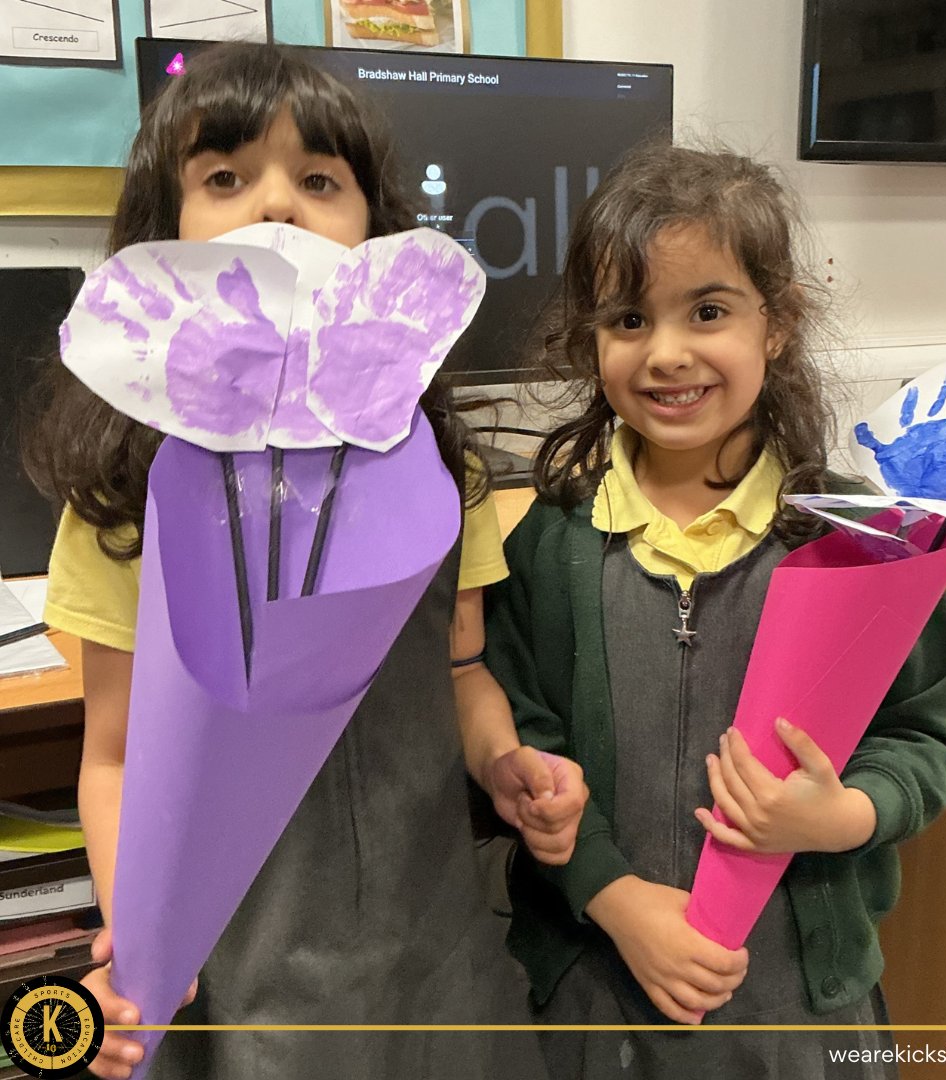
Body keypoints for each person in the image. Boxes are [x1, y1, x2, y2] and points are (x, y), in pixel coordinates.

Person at [28, 41, 584, 1080]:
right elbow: (111, 752)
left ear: (376, 231)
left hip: (436, 962)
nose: (276, 207)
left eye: (319, 181)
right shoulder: (125, 497)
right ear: (166, 229)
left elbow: (463, 671)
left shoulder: (435, 466)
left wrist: (506, 762)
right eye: (226, 177)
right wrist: (143, 944)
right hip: (244, 974)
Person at [483, 143, 946, 1079]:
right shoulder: (551, 542)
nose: (667, 352)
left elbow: (928, 734)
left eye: (707, 311)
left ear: (777, 324)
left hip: (799, 1011)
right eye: (629, 318)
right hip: (598, 997)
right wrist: (615, 895)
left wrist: (845, 815)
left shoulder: (868, 544)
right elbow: (522, 737)